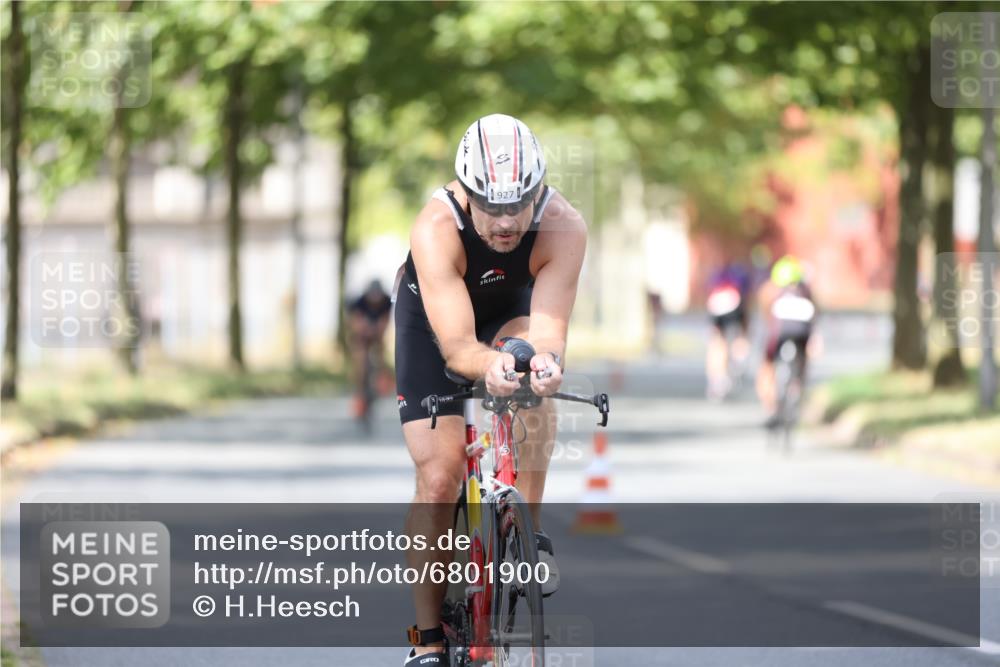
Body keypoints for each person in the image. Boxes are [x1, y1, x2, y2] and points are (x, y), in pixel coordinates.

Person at [395, 114, 586, 665]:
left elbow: (547, 332)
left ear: (538, 191)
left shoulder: (563, 226)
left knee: (533, 378)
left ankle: (528, 530)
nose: (505, 222)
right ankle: (428, 640)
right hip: (436, 323)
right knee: (439, 476)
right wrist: (487, 366)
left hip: (512, 315)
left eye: (518, 205)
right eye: (491, 206)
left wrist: (544, 364)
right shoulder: (435, 227)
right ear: (466, 191)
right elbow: (457, 348)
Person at [756, 255, 817, 425]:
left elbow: (767, 317)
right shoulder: (805, 291)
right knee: (803, 361)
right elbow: (814, 314)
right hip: (802, 332)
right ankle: (798, 390)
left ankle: (770, 407)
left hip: (779, 332)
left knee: (767, 366)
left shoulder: (771, 290)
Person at [705, 261, 752, 400]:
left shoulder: (717, 274)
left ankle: (717, 379)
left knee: (717, 342)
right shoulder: (741, 274)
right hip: (732, 302)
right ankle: (739, 361)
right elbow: (745, 301)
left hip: (716, 303)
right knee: (737, 337)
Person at [348, 279, 392, 419]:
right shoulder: (359, 302)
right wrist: (364, 329)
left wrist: (378, 332)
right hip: (362, 332)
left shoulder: (386, 301)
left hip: (377, 332)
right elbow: (355, 322)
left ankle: (381, 379)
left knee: (380, 352)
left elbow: (385, 322)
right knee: (360, 358)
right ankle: (360, 390)